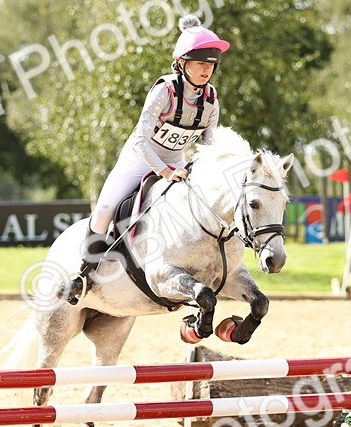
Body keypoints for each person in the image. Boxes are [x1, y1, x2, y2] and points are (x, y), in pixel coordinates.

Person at [61, 15, 230, 304]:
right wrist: (164, 172)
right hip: (140, 158)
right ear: (181, 63)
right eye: (201, 63)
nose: (207, 70)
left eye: (211, 65)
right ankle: (83, 275)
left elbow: (210, 145)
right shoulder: (165, 90)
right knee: (104, 209)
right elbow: (141, 139)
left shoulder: (211, 98)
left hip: (177, 161)